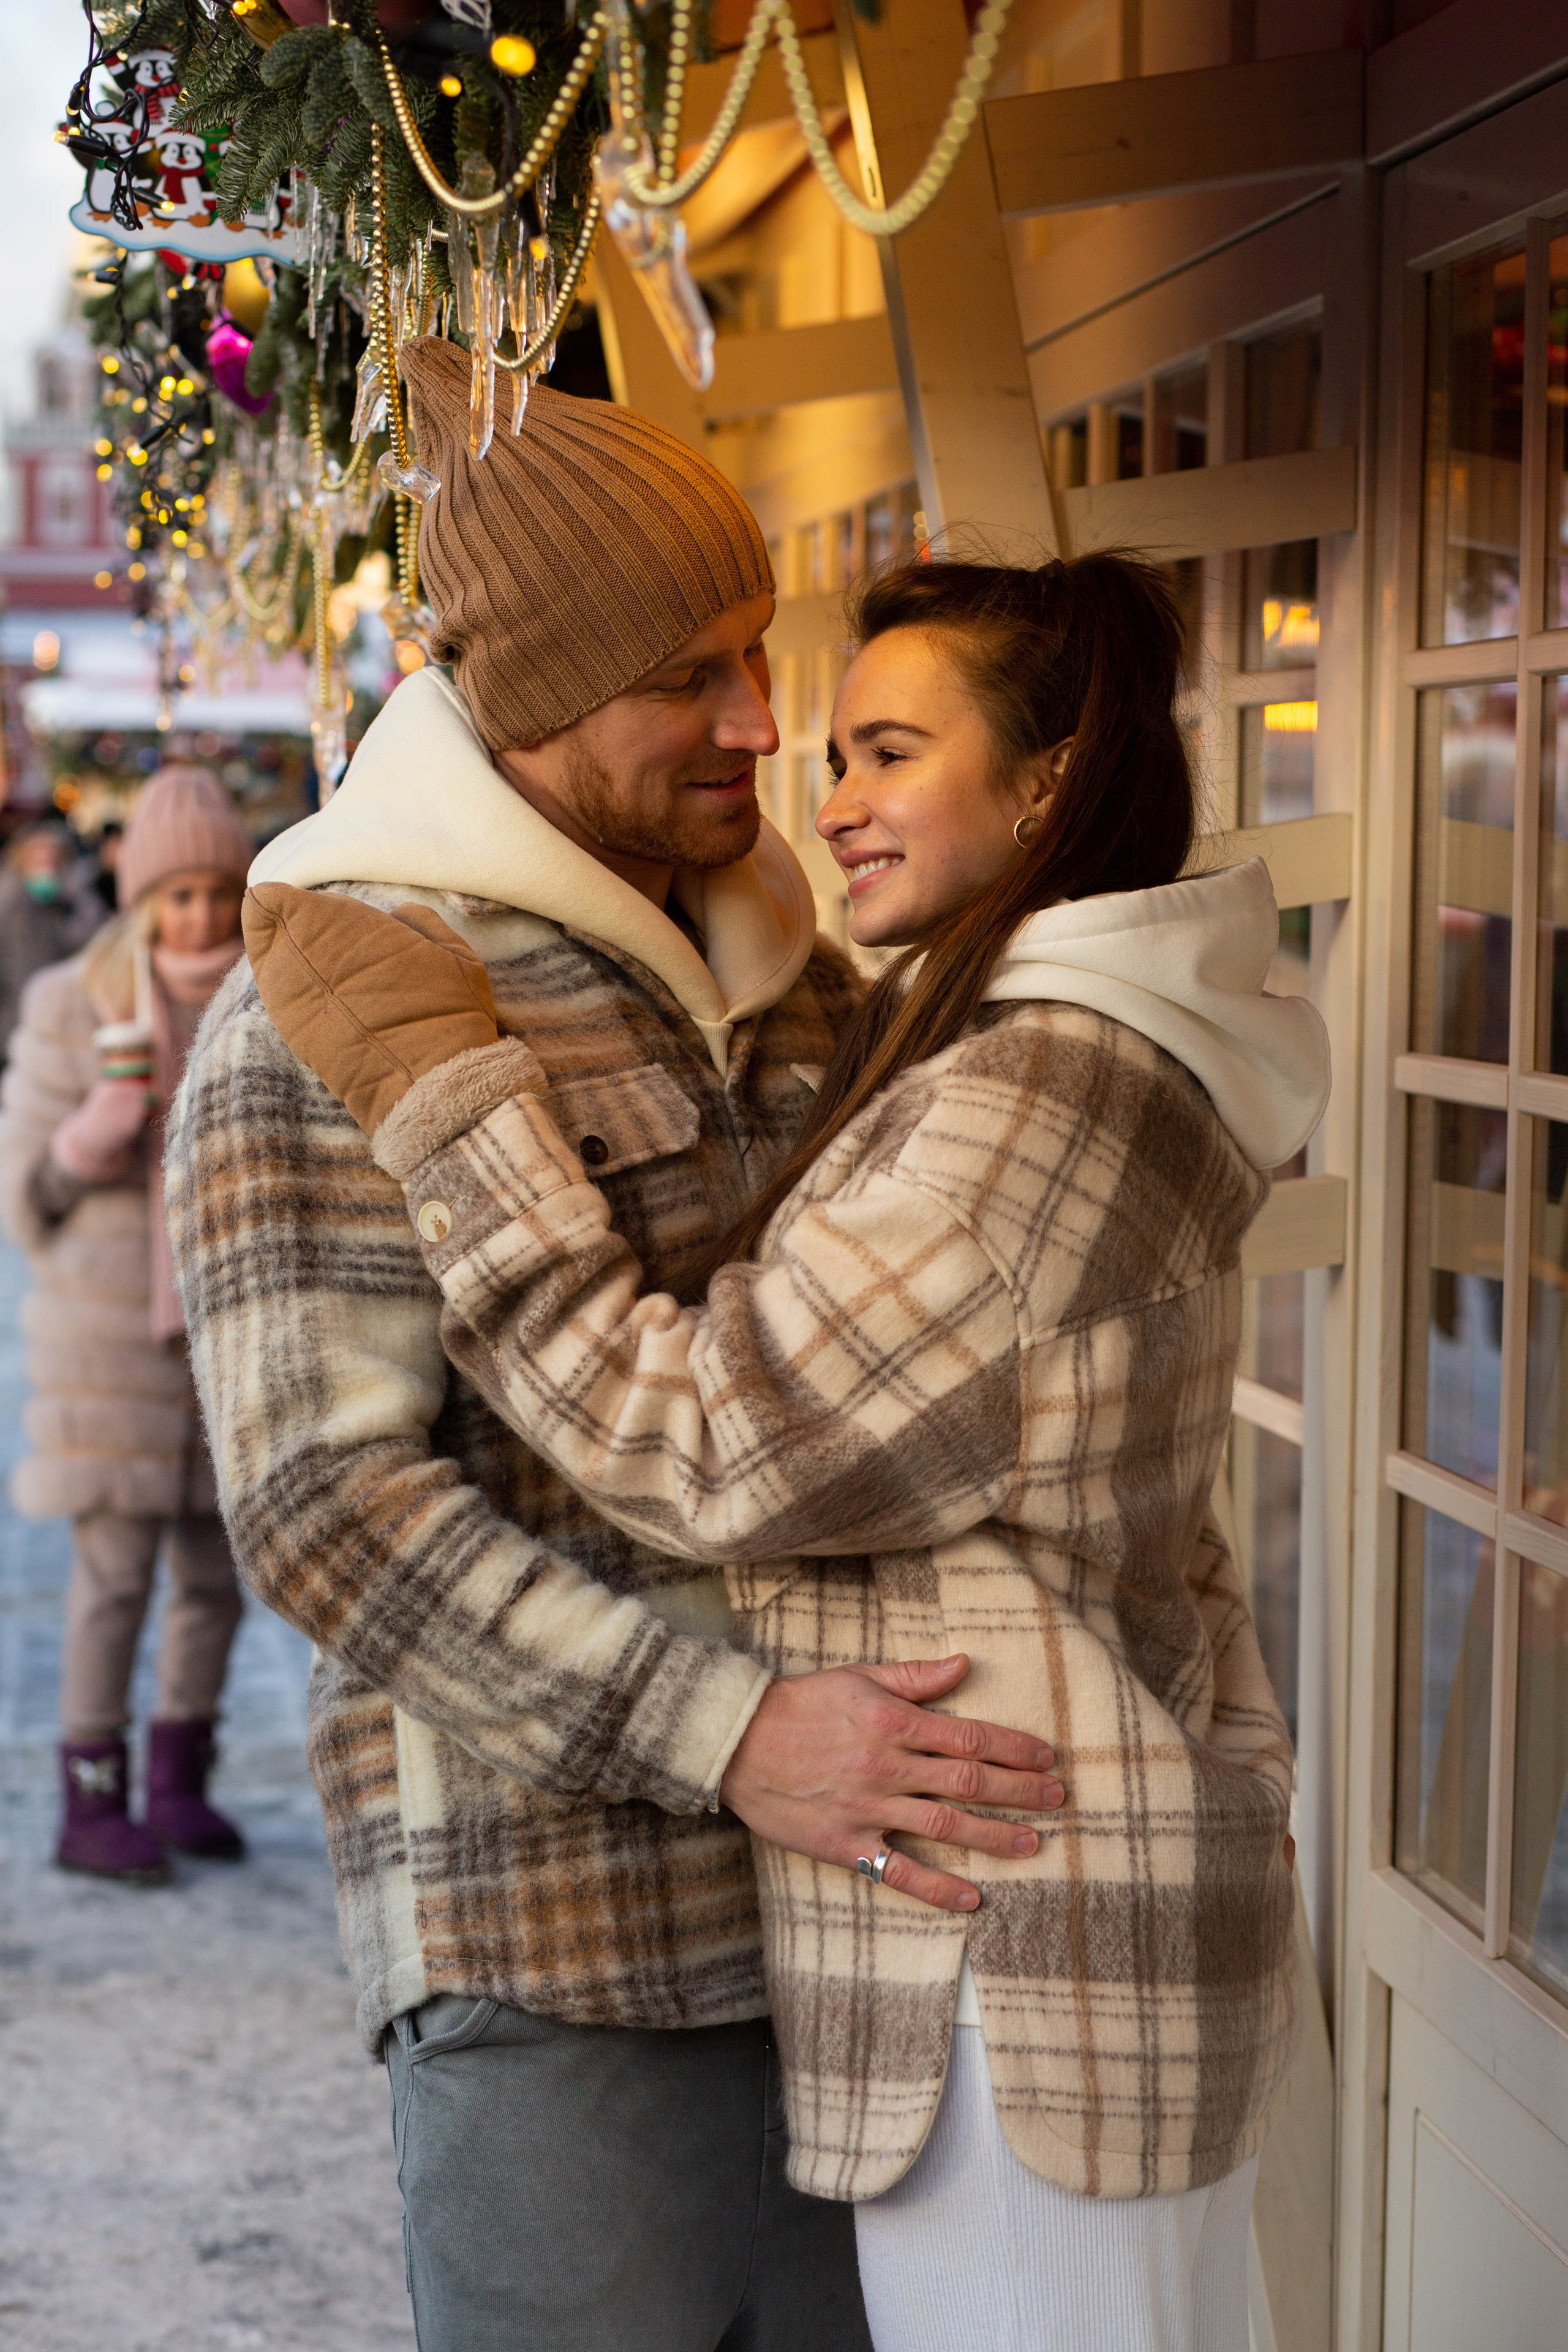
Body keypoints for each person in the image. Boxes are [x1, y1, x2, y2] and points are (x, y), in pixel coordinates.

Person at [243, 552, 1333, 2352]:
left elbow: (706, 1439)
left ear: (1048, 779)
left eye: (887, 749)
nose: (821, 797)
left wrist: (452, 1102)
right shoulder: (1035, 1039)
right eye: (832, 750)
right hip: (1050, 1891)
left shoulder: (1039, 1087)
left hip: (1013, 1950)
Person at [165, 342, 1059, 2352]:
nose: (762, 722)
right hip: (564, 1957)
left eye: (763, 653)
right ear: (542, 695)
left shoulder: (791, 966)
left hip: (873, 1930)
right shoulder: (330, 997)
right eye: (696, 677)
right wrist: (733, 1733)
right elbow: (327, 1511)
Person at [0, 766, 254, 1885]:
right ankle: (89, 1798)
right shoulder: (74, 1001)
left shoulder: (272, 999)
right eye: (178, 896)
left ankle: (178, 1780)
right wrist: (91, 1137)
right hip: (112, 1347)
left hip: (235, 1335)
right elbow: (25, 1192)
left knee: (217, 1576)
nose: (200, 918)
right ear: (141, 896)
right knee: (113, 1580)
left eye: (218, 893)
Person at [0, 820, 104, 1064]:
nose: (45, 864)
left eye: (52, 857)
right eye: (37, 857)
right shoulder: (8, 903)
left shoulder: (78, 899)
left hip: (67, 1023)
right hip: (13, 1022)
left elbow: (94, 944)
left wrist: (67, 902)